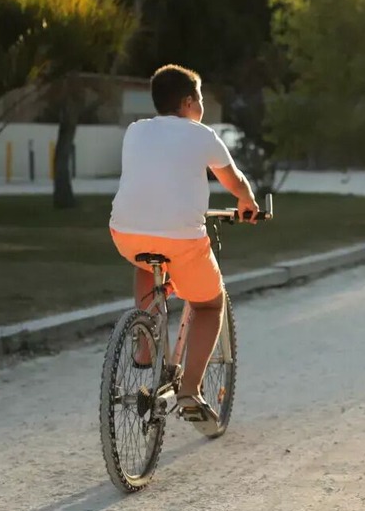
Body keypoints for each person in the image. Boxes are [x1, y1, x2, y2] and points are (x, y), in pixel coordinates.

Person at [109, 64, 259, 422]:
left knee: (145, 263)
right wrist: (248, 202)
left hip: (124, 233)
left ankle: (144, 346)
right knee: (209, 304)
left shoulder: (135, 131)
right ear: (190, 101)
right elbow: (233, 179)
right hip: (182, 239)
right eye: (201, 98)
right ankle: (190, 390)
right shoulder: (201, 133)